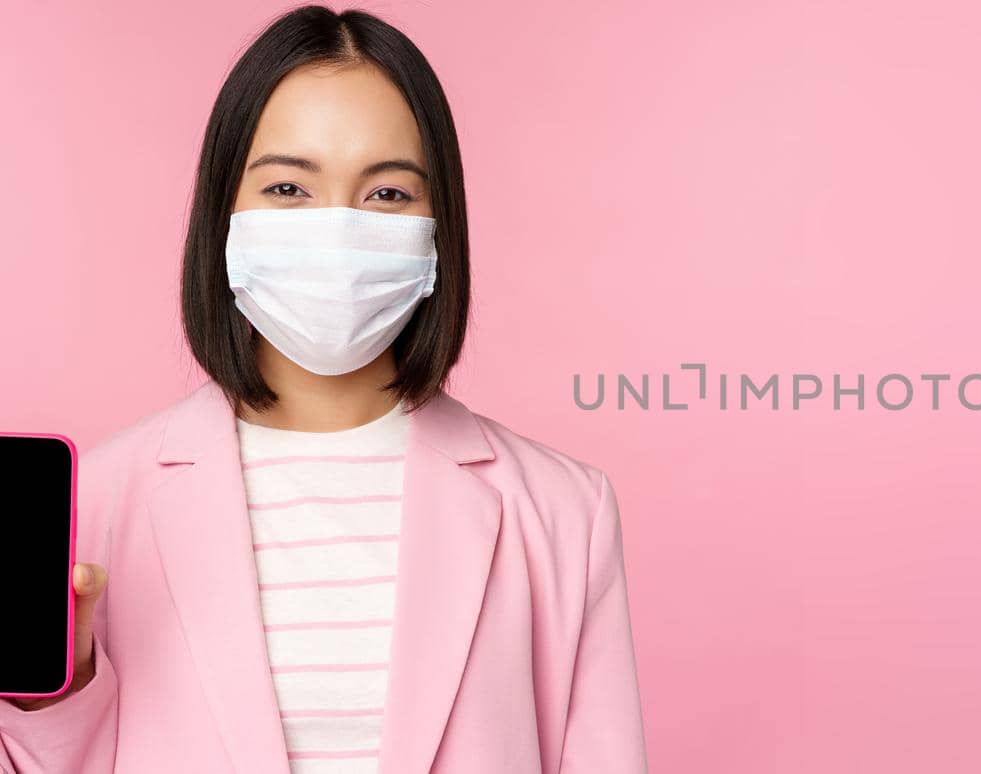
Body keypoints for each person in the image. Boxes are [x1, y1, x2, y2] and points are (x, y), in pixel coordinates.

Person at [0, 6, 649, 773]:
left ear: (440, 228)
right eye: (287, 188)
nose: (336, 232)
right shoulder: (95, 509)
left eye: (387, 196)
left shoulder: (565, 513)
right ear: (225, 217)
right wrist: (52, 696)